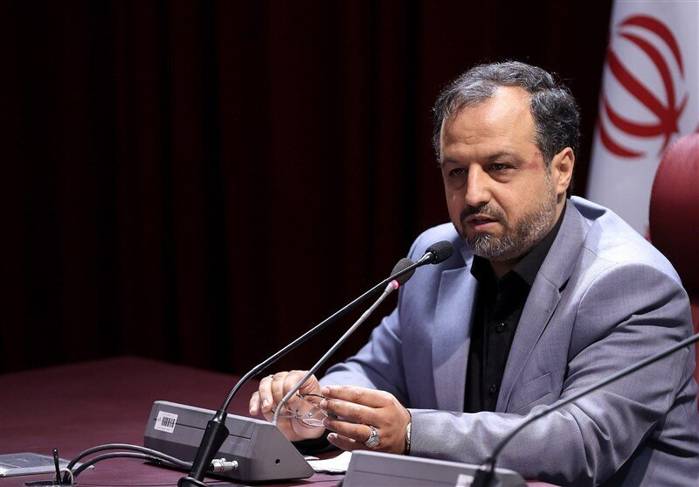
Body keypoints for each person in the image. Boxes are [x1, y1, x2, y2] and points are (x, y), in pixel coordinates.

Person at [248, 61, 699, 486]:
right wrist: (316, 406)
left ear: (561, 170)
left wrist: (411, 432)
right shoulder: (435, 256)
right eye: (456, 172)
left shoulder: (631, 283)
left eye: (499, 167)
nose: (473, 194)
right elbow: (377, 372)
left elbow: (582, 441)